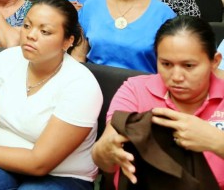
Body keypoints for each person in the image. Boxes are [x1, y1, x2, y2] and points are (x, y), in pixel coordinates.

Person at [0, 0, 103, 190]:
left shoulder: (81, 85)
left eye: (45, 31)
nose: (31, 35)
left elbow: (39, 163)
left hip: (60, 175)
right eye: (27, 26)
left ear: (67, 41)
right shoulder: (6, 60)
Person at [91, 16, 224, 188]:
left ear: (214, 61)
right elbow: (104, 157)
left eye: (189, 66)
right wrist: (105, 151)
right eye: (166, 64)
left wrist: (216, 141)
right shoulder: (136, 90)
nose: (176, 77)